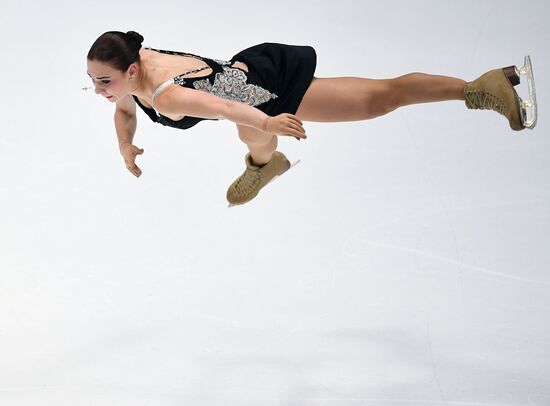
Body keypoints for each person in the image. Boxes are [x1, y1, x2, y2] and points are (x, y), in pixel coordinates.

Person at [86, 31, 537, 206]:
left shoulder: (167, 96)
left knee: (379, 99)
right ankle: (263, 164)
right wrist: (125, 143)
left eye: (103, 82)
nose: (99, 91)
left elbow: (225, 107)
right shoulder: (133, 65)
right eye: (93, 82)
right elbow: (126, 109)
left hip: (263, 90)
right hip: (245, 83)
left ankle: (481, 88)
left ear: (130, 70)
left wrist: (271, 121)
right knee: (251, 136)